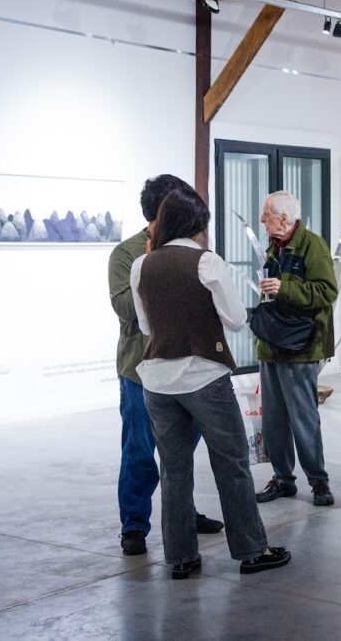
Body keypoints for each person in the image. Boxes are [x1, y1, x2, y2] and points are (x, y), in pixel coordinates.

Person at [130, 183, 289, 579]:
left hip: (157, 382)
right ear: (197, 223)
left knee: (173, 470)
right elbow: (235, 319)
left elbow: (147, 326)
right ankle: (252, 550)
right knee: (231, 464)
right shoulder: (207, 262)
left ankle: (181, 557)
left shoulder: (141, 265)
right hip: (204, 376)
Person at [107, 174, 224, 556]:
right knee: (140, 452)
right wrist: (152, 267)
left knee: (180, 454)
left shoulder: (190, 249)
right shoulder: (126, 254)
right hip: (141, 371)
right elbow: (125, 308)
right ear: (160, 210)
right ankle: (134, 525)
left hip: (188, 367)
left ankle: (181, 516)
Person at [253, 191, 339, 508]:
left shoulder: (312, 246)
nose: (262, 219)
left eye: (266, 214)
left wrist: (284, 288)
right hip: (272, 345)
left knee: (304, 418)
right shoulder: (273, 247)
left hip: (301, 347)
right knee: (273, 419)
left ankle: (318, 481)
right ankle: (283, 478)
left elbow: (327, 291)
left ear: (284, 218)